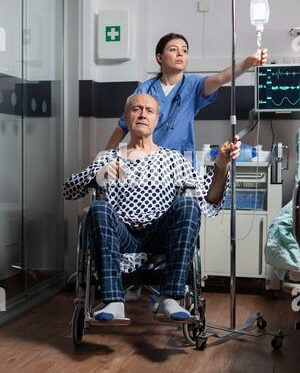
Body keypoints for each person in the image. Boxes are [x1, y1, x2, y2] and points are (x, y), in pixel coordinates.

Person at [63, 93, 241, 323]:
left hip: (159, 235)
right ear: (126, 117)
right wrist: (98, 174)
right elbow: (68, 190)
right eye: (136, 109)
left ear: (157, 119)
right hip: (122, 236)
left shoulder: (173, 160)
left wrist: (221, 164)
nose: (142, 114)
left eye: (149, 110)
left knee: (188, 205)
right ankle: (114, 302)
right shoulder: (108, 157)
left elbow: (210, 198)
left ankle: (170, 298)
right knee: (98, 208)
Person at [105, 32, 267, 166]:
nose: (180, 53)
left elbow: (221, 77)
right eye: (173, 49)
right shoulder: (145, 89)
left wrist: (247, 63)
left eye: (185, 50)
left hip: (183, 161)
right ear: (159, 57)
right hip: (148, 161)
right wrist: (104, 158)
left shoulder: (194, 85)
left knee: (187, 203)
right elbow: (122, 126)